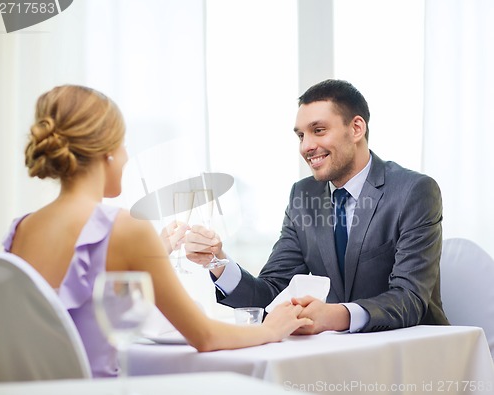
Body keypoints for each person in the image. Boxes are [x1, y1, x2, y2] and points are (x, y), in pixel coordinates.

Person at [2, 85, 312, 378]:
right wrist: (271, 330)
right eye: (123, 145)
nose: (126, 157)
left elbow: (70, 309)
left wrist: (153, 252)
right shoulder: (124, 227)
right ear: (107, 152)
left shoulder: (20, 229)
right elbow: (204, 335)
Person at [185, 79, 450, 334]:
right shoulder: (303, 195)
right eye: (301, 135)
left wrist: (335, 316)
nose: (307, 146)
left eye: (318, 130)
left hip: (414, 352)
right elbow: (271, 292)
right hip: (337, 354)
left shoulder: (414, 191)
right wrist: (217, 260)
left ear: (356, 128)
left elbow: (409, 299)